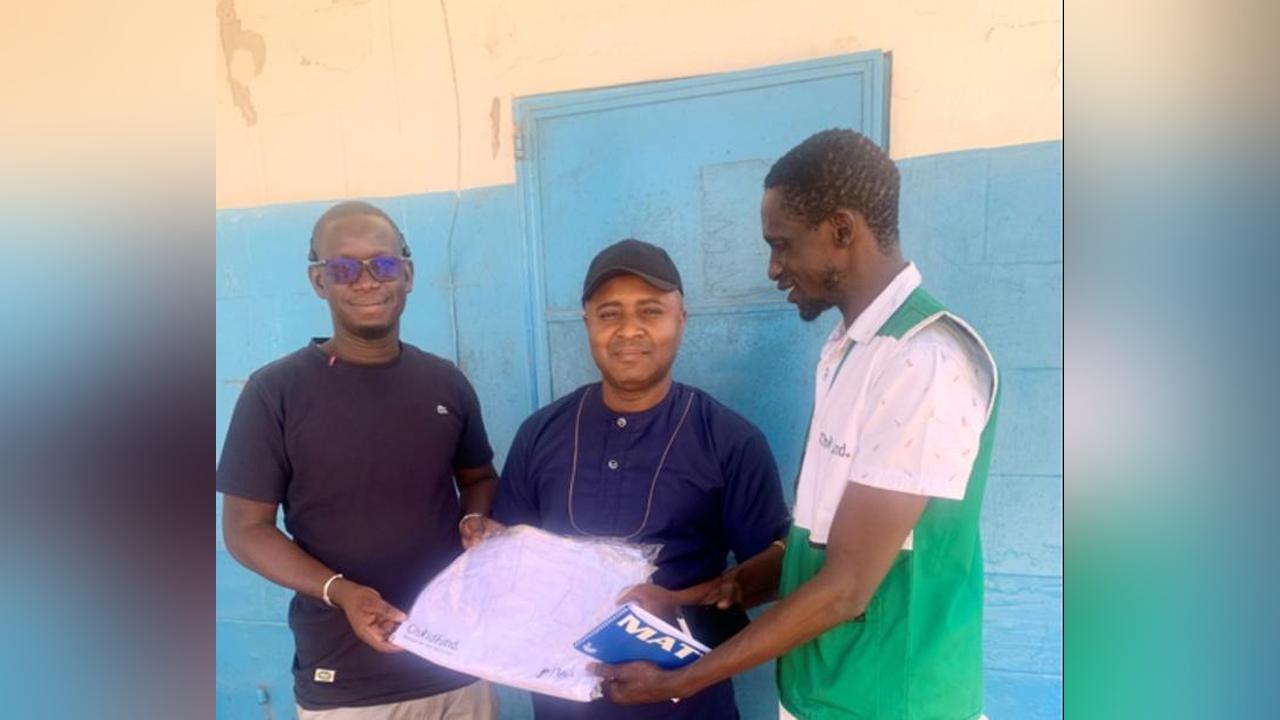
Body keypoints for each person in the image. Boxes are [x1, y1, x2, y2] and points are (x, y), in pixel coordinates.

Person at [594, 129, 1000, 720]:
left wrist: (678, 681)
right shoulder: (850, 350)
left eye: (782, 245)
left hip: (893, 703)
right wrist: (688, 598)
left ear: (841, 230)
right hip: (823, 694)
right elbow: (819, 546)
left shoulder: (923, 360)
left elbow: (846, 587)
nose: (773, 268)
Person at [217, 201, 500, 719]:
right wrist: (341, 592)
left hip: (457, 661)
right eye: (344, 267)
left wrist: (474, 518)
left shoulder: (446, 383)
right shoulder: (275, 392)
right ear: (319, 281)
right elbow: (244, 530)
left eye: (383, 264)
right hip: (346, 681)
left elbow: (478, 478)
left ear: (407, 275)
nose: (367, 281)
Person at [487, 239, 792, 720]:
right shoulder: (540, 433)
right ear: (587, 323)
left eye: (650, 311)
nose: (629, 330)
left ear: (681, 320)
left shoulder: (729, 440)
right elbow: (510, 558)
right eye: (609, 314)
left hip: (688, 706)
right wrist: (485, 543)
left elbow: (777, 568)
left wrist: (680, 603)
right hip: (562, 704)